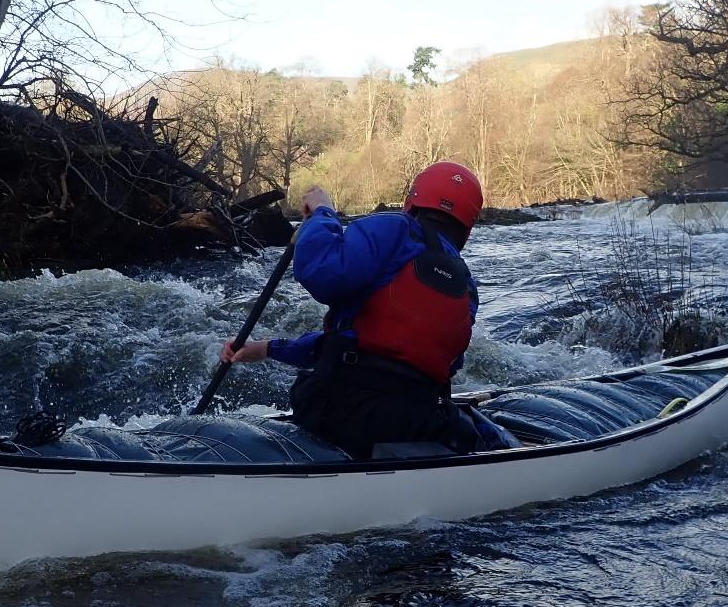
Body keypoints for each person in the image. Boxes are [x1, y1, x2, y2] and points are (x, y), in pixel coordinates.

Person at [219, 161, 512, 460]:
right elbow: (407, 355)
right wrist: (268, 348)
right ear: (467, 224)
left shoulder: (393, 229)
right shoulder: (466, 284)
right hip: (417, 420)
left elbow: (322, 273)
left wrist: (323, 213)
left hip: (337, 411)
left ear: (414, 199)